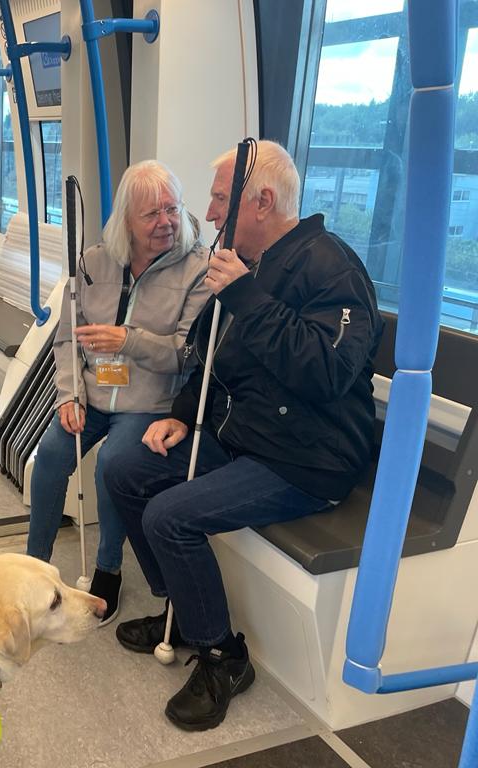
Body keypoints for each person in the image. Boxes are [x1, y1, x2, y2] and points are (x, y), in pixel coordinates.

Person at [104, 140, 383, 731]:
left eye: (219, 199)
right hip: (246, 435)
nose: (206, 214)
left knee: (170, 516)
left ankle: (223, 657)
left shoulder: (332, 267)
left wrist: (247, 298)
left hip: (307, 458)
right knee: (124, 470)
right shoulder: (249, 267)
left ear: (260, 202)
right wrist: (181, 411)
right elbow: (207, 354)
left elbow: (327, 372)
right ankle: (179, 609)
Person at [26, 160, 210, 624]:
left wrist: (127, 340)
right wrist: (68, 395)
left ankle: (109, 568)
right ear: (126, 218)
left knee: (113, 464)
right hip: (91, 395)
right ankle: (32, 567)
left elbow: (187, 355)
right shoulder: (92, 261)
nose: (166, 222)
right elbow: (68, 338)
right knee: (49, 455)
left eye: (173, 209)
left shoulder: (199, 269)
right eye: (151, 214)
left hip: (150, 402)